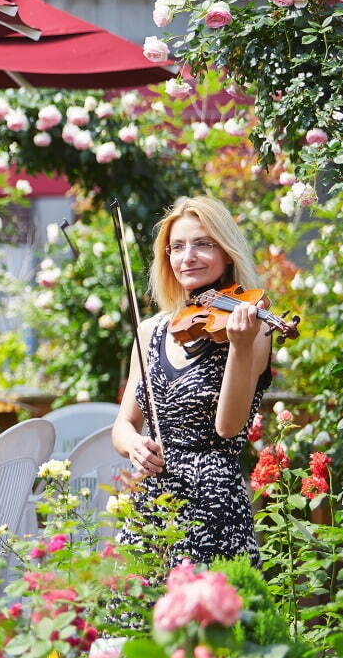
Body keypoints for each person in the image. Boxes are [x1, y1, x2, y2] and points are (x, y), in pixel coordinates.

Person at [112, 196, 273, 567]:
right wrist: (135, 445)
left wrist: (240, 345)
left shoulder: (254, 329)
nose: (189, 257)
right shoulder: (150, 331)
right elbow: (123, 424)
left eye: (203, 243)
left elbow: (229, 427)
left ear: (227, 252)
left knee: (208, 621)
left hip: (213, 506)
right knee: (134, 618)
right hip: (153, 503)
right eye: (178, 247)